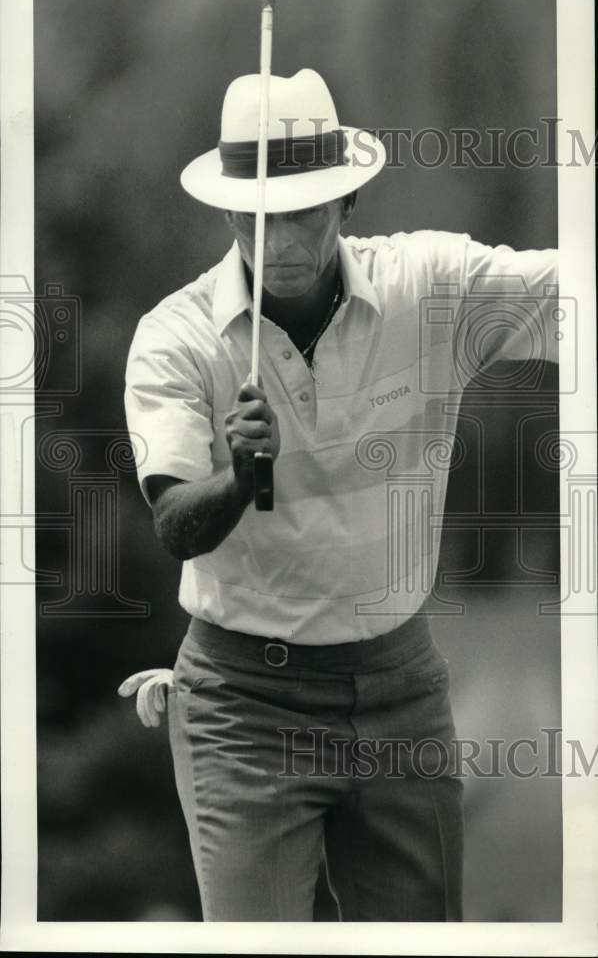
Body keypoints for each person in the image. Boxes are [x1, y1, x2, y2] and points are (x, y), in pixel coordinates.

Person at [120, 68, 558, 921]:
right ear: (227, 213)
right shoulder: (174, 338)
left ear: (349, 204)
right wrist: (237, 481)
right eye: (259, 212)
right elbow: (177, 525)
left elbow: (571, 291)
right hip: (243, 706)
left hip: (401, 689)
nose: (279, 233)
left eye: (304, 208)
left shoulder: (430, 288)